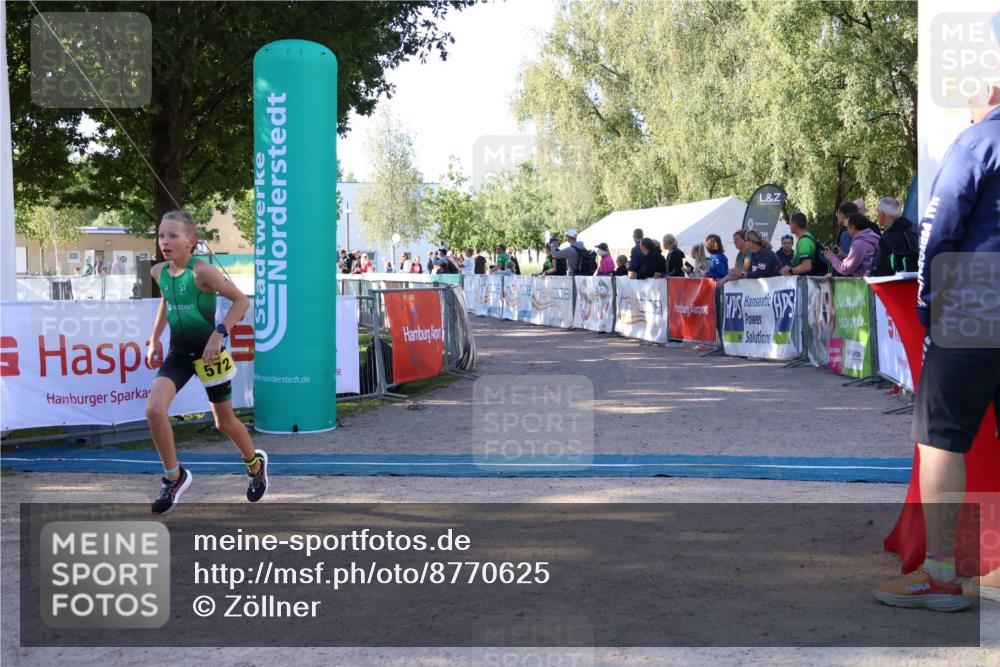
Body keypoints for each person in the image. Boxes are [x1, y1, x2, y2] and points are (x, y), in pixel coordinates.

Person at [872, 73, 1000, 612]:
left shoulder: (977, 141)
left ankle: (942, 576)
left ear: (991, 94)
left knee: (940, 437)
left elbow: (938, 227)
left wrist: (928, 303)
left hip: (975, 300)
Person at [145, 210, 267, 515]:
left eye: (173, 236)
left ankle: (255, 464)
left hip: (210, 354)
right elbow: (166, 302)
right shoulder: (159, 272)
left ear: (191, 242)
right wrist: (153, 338)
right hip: (178, 355)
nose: (165, 241)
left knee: (223, 422)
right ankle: (174, 476)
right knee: (154, 410)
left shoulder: (203, 272)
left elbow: (242, 301)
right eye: (162, 235)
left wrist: (219, 333)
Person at [871, 196, 919, 276]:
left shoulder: (886, 238)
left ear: (883, 214)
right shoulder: (914, 229)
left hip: (897, 284)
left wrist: (871, 273)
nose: (877, 215)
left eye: (878, 211)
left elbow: (882, 269)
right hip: (920, 281)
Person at [780, 212, 827, 277]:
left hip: (809, 282)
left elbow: (806, 266)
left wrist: (790, 270)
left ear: (794, 224)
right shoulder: (808, 237)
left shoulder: (804, 241)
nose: (789, 225)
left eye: (790, 223)